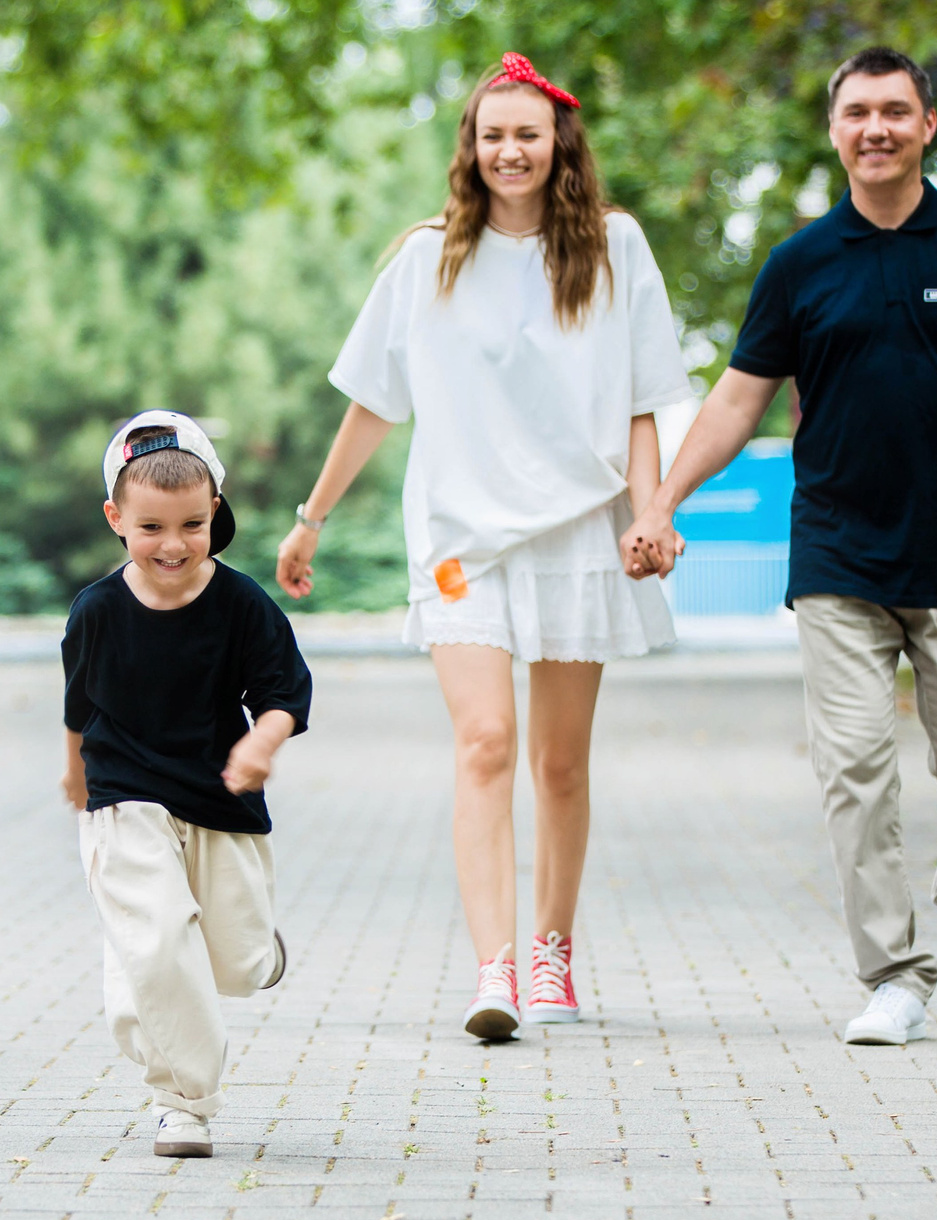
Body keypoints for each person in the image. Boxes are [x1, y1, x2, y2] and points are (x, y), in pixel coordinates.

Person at [620, 45, 937, 1046]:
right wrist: (662, 501)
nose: (875, 128)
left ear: (927, 125)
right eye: (857, 112)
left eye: (893, 110)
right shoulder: (800, 263)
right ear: (835, 130)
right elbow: (737, 400)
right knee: (854, 768)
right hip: (839, 554)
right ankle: (893, 974)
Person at [276, 53, 695, 1041]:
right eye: (492, 134)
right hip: (462, 539)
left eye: (527, 134)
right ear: (469, 147)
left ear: (559, 145)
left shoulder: (615, 246)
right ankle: (494, 968)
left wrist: (651, 511)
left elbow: (644, 400)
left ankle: (552, 952)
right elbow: (375, 402)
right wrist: (311, 516)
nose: (510, 151)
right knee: (485, 743)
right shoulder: (427, 259)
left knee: (559, 763)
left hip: (581, 530)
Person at [62, 412, 311, 1159]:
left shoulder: (242, 604)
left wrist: (261, 742)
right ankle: (184, 1104)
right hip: (123, 794)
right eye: (151, 527)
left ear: (215, 512)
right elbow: (79, 705)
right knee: (159, 945)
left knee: (232, 963)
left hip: (218, 796)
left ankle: (256, 950)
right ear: (116, 518)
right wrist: (74, 773)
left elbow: (284, 693)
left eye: (191, 525)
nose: (172, 544)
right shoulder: (96, 610)